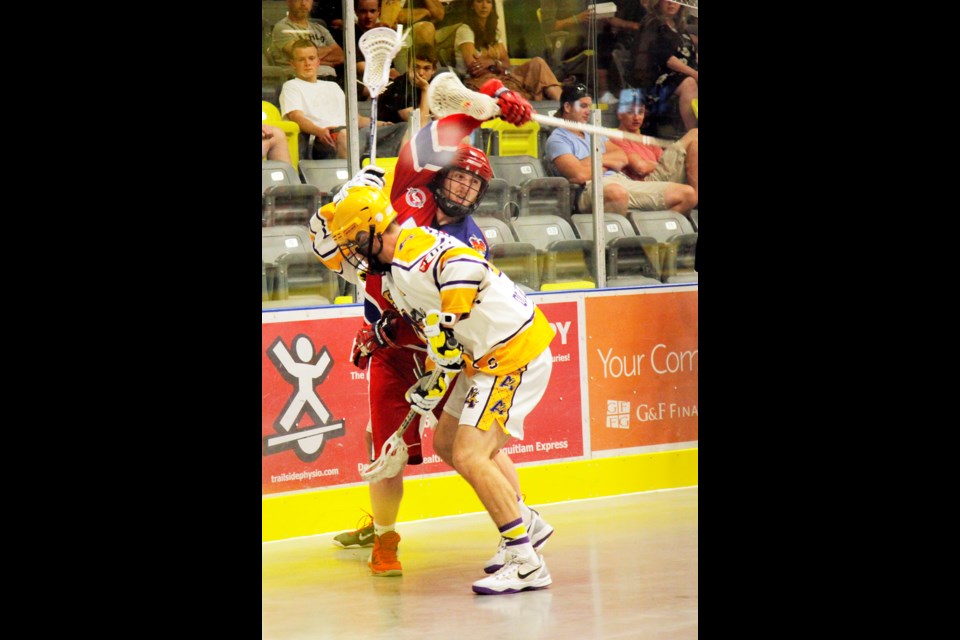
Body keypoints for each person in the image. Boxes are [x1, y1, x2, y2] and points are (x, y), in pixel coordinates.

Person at [314, 79, 554, 583]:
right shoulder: (407, 204)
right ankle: (523, 524)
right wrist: (487, 97)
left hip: (496, 350)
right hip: (455, 351)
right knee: (453, 445)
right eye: (458, 179)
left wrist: (438, 346)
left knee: (472, 450)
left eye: (474, 184)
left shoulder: (440, 243)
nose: (463, 189)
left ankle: (522, 542)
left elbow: (454, 292)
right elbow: (431, 130)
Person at [544, 82, 696, 215]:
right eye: (583, 106)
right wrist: (606, 162)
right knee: (617, 193)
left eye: (589, 106)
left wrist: (589, 163)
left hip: (621, 180)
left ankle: (656, 243)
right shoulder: (558, 139)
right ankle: (618, 247)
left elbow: (622, 158)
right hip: (589, 189)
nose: (588, 111)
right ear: (567, 107)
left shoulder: (593, 132)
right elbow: (578, 175)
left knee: (688, 194)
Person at [280, 40, 398, 160]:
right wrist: (319, 131)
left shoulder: (333, 86)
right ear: (293, 64)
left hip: (351, 134)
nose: (307, 63)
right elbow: (297, 118)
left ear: (318, 62)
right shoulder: (291, 86)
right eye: (301, 59)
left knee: (402, 129)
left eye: (311, 58)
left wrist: (382, 124)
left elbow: (356, 119)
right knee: (346, 135)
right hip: (322, 139)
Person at [455, 0, 562, 101]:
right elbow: (474, 68)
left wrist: (492, 62)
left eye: (488, 2)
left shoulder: (494, 32)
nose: (484, 6)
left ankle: (563, 105)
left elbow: (507, 63)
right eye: (479, 1)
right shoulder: (465, 30)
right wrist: (497, 64)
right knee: (510, 89)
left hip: (501, 76)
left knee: (538, 63)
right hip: (479, 81)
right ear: (472, 6)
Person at [607, 88, 698, 201]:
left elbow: (661, 164)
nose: (636, 118)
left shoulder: (648, 140)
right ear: (620, 114)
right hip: (647, 184)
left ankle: (696, 198)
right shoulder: (616, 137)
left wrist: (652, 164)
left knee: (695, 145)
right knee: (695, 133)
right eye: (630, 112)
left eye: (640, 112)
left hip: (663, 176)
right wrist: (656, 164)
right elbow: (641, 168)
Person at [632, 0, 698, 132]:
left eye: (676, 1)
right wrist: (695, 74)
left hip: (681, 74)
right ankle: (693, 134)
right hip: (657, 78)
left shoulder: (679, 26)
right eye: (666, 0)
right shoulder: (652, 24)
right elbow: (668, 59)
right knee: (690, 83)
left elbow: (688, 54)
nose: (671, 3)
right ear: (658, 2)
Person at [272, 0, 345, 81]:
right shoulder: (283, 28)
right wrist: (329, 49)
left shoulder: (320, 28)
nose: (303, 3)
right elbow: (300, 55)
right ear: (289, 1)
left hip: (330, 80)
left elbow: (340, 57)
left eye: (307, 0)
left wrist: (310, 58)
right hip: (300, 80)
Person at [376, 45, 437, 132]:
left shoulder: (435, 83)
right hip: (390, 133)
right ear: (408, 67)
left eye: (426, 68)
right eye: (416, 67)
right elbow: (419, 124)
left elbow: (441, 119)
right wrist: (425, 89)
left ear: (433, 70)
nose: (420, 73)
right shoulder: (399, 86)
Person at [354, 0, 403, 100]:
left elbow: (392, 69)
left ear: (379, 11)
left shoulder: (382, 35)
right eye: (363, 11)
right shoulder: (350, 34)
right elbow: (362, 68)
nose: (368, 16)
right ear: (355, 11)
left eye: (372, 11)